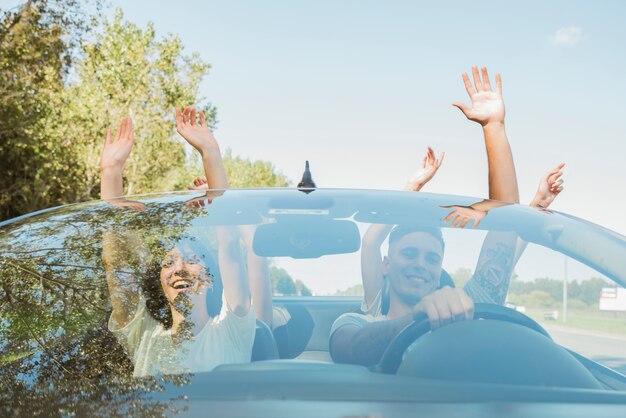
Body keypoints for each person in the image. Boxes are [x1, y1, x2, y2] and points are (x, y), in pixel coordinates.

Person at [330, 66, 525, 366]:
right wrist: (419, 316)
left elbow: (507, 225)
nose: (421, 264)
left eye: (431, 258)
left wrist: (494, 129)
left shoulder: (466, 310)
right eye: (410, 253)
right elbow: (352, 349)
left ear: (439, 271)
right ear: (386, 263)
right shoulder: (358, 320)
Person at [101, 109, 255, 377]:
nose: (179, 268)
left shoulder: (232, 330)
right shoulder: (146, 338)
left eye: (192, 260)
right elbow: (116, 265)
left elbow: (229, 246)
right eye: (168, 263)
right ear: (160, 282)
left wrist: (210, 152)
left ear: (211, 278)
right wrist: (111, 172)